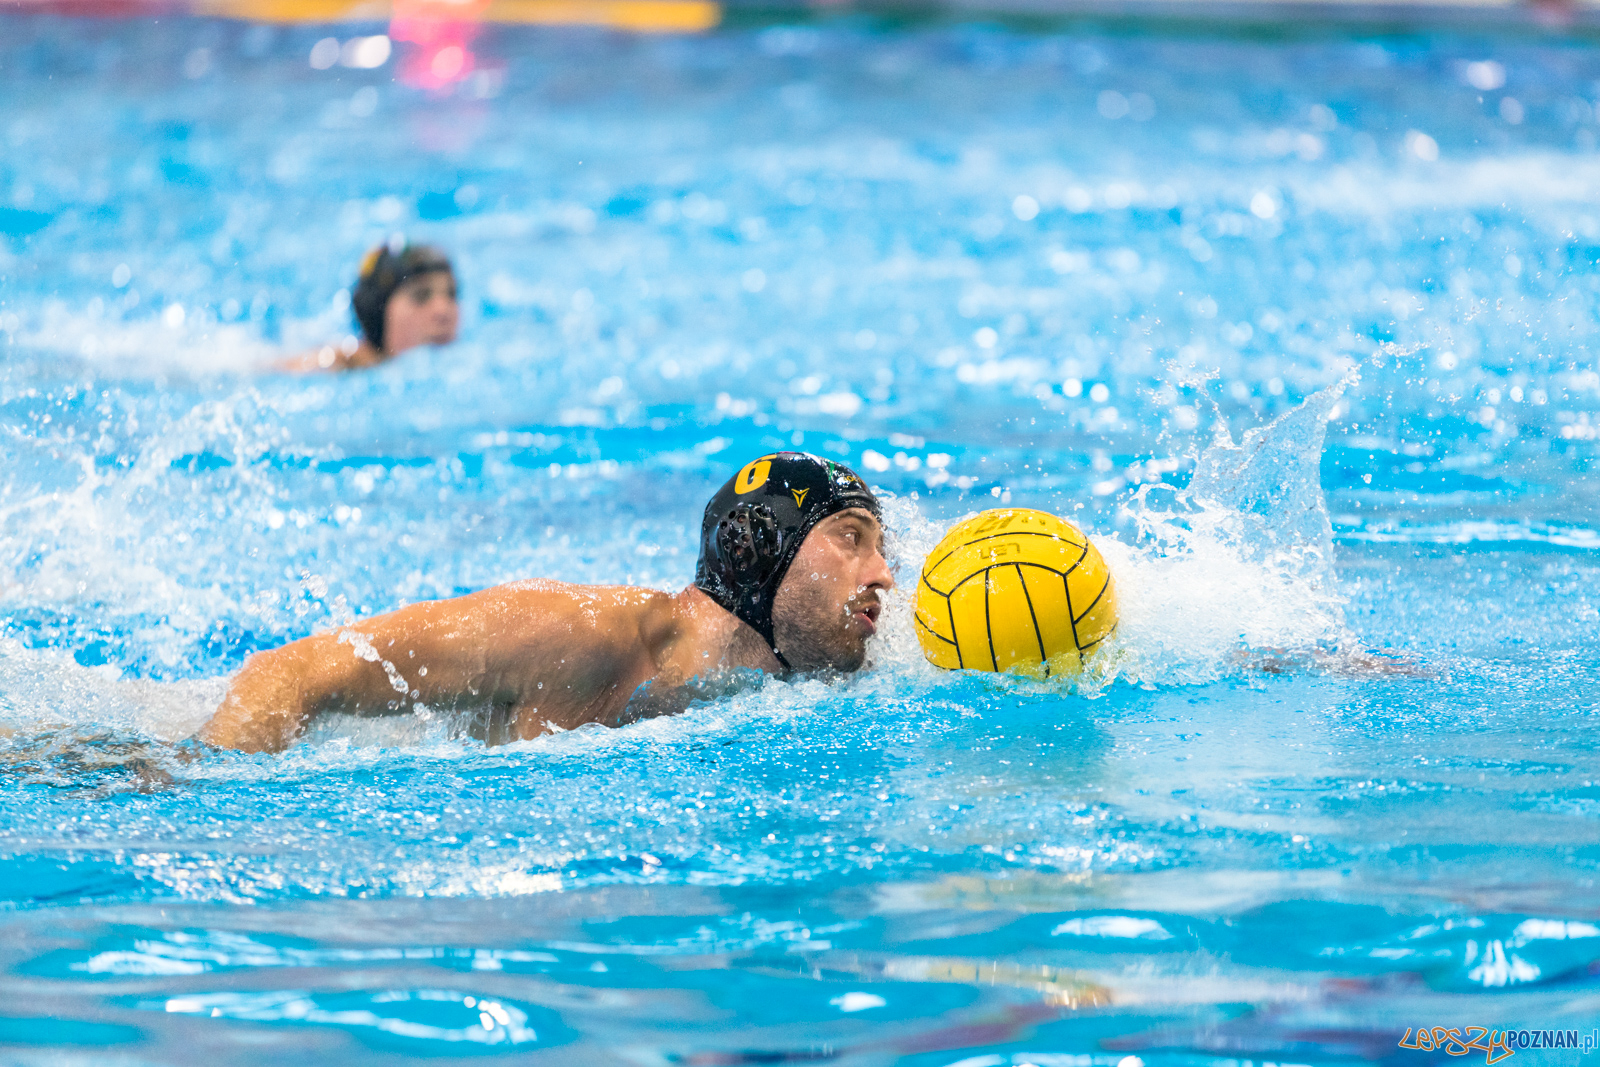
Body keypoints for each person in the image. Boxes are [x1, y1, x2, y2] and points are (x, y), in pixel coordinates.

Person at [196, 453, 893, 753]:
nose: (884, 575)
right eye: (851, 537)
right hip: (166, 741)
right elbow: (294, 672)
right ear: (758, 548)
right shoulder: (577, 632)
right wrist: (191, 780)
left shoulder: (767, 694)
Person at [277, 241, 459, 372]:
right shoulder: (339, 364)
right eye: (421, 296)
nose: (443, 311)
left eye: (451, 294)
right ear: (380, 310)